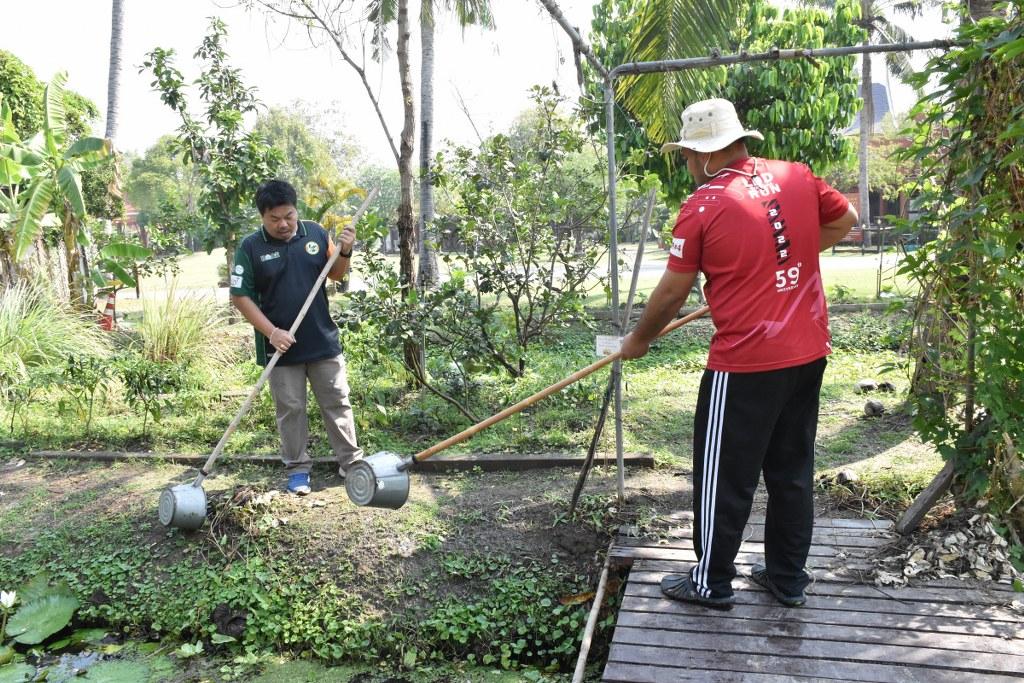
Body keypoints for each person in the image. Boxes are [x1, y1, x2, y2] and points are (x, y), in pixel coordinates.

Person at [619, 98, 857, 609]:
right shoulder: (795, 175)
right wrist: (769, 270)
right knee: (791, 471)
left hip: (746, 364)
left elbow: (671, 294)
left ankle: (709, 582)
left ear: (708, 153)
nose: (686, 164)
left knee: (723, 476)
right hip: (808, 353)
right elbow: (845, 220)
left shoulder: (704, 203)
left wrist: (637, 342)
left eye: (687, 154)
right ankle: (787, 578)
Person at [229, 179, 364, 496]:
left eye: (288, 215)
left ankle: (352, 463)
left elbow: (336, 273)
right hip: (280, 348)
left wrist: (345, 250)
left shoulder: (315, 233)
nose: (283, 224)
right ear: (262, 216)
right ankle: (298, 469)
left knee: (338, 402)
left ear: (296, 210)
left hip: (322, 339)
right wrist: (272, 333)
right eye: (274, 218)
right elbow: (240, 296)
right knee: (291, 410)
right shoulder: (251, 247)